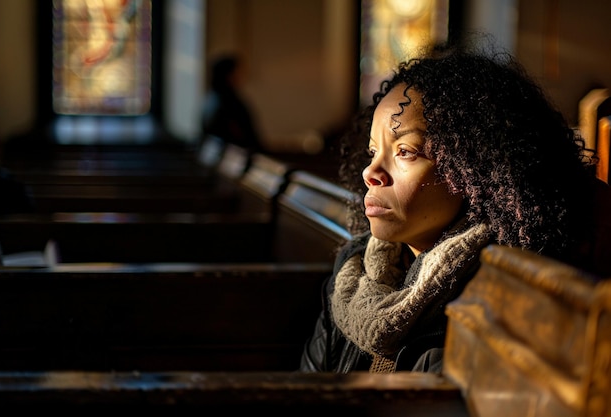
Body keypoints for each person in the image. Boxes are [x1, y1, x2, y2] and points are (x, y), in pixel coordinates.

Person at [299, 40, 611, 374]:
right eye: (373, 151)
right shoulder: (351, 277)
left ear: (474, 168)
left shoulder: (496, 303)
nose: (370, 173)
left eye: (405, 151)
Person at [201, 54, 264, 152]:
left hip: (222, 154)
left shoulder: (211, 98)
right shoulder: (230, 102)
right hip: (235, 157)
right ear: (229, 75)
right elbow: (248, 138)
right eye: (239, 71)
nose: (243, 76)